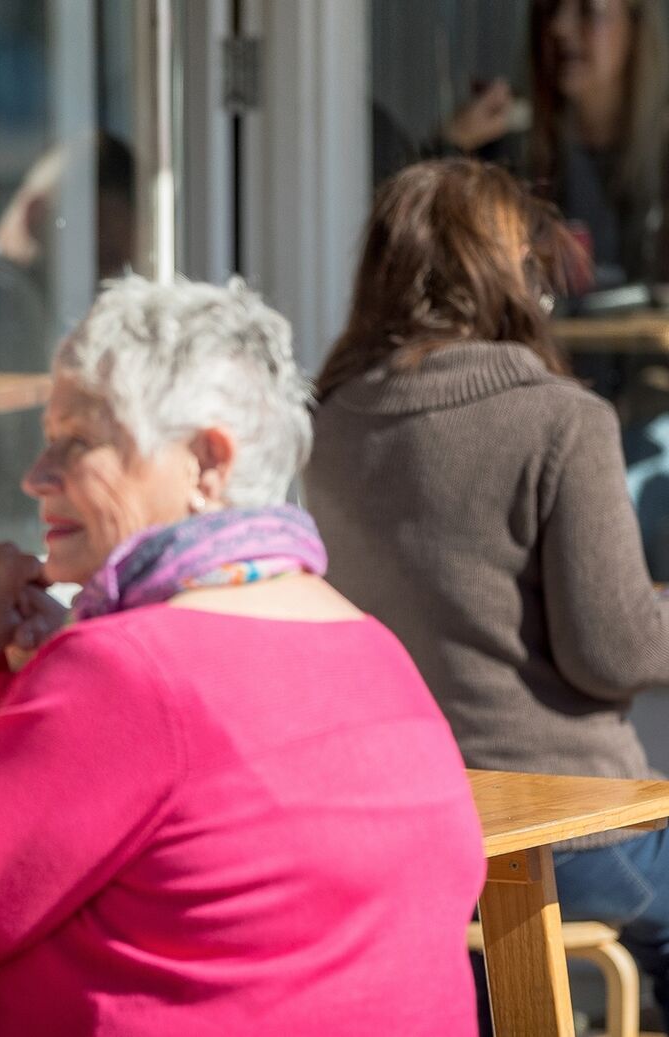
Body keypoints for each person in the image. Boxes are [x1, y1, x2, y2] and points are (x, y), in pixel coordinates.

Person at [0, 275, 485, 1035]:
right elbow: (105, 846)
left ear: (208, 463)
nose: (36, 474)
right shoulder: (371, 645)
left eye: (77, 441)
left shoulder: (134, 667)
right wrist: (32, 667)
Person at [308, 158, 669, 1021]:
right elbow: (610, 648)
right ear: (511, 276)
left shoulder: (331, 422)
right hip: (569, 830)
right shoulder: (561, 419)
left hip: (403, 835)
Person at [437, 0, 668, 287]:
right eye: (549, 10)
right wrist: (450, 146)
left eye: (588, 11)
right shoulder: (506, 156)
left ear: (636, 28)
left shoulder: (661, 157)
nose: (559, 27)